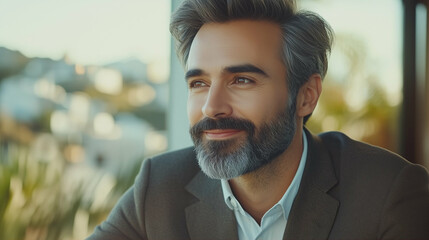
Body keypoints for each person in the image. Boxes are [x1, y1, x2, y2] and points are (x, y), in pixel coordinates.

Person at [87, 0, 429, 239]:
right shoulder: (159, 188)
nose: (211, 107)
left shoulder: (390, 194)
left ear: (306, 95)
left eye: (242, 80)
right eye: (199, 83)